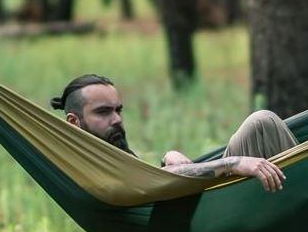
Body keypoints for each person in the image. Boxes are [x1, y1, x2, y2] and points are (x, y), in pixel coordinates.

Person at [50, 74, 295, 192]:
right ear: (74, 122)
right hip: (201, 223)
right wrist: (235, 162)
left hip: (196, 200)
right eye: (103, 112)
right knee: (264, 122)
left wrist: (168, 160)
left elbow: (148, 182)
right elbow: (149, 183)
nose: (117, 120)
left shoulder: (111, 153)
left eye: (118, 110)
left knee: (261, 123)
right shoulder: (92, 167)